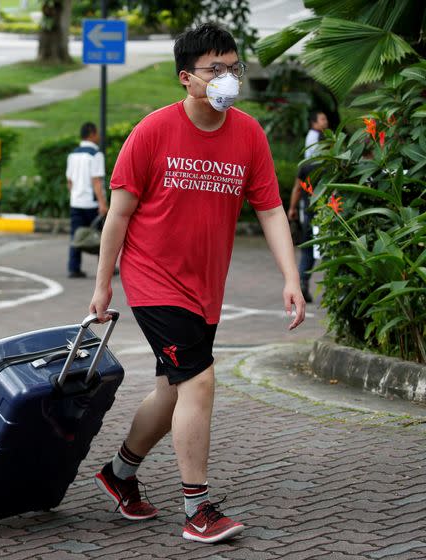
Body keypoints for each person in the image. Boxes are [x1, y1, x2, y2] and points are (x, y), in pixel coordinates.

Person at [89, 24, 306, 544]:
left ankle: (118, 475)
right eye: (215, 69)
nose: (227, 77)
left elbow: (271, 209)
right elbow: (118, 216)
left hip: (204, 287)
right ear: (187, 78)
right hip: (153, 278)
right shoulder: (153, 131)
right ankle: (197, 507)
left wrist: (291, 277)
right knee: (201, 381)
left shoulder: (248, 134)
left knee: (174, 387)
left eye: (233, 66)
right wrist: (103, 285)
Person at [288, 110, 329, 303]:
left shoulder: (306, 166)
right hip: (328, 213)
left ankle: (303, 282)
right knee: (327, 249)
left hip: (309, 211)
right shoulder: (330, 166)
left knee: (308, 249)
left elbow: (297, 189)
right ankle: (333, 285)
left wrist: (292, 209)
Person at [66, 122, 108, 278]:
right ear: (91, 133)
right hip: (92, 203)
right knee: (102, 236)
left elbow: (69, 181)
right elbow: (96, 181)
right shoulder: (96, 154)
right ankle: (103, 270)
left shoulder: (73, 154)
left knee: (76, 236)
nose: (98, 136)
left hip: (76, 202)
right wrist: (102, 203)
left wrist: (74, 195)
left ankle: (73, 267)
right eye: (97, 132)